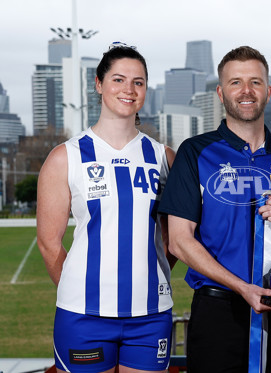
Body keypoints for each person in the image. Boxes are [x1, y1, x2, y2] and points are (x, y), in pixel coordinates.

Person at [158, 46, 271, 373]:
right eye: (236, 82)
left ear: (268, 91)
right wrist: (241, 287)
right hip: (217, 310)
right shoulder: (195, 152)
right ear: (220, 92)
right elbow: (178, 241)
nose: (246, 91)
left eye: (255, 82)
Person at [37, 42, 177, 373]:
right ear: (98, 84)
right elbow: (48, 242)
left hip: (150, 317)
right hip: (83, 317)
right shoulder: (65, 157)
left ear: (145, 90)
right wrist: (80, 290)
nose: (128, 89)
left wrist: (151, 275)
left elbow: (174, 240)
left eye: (138, 82)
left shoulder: (164, 158)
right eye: (118, 79)